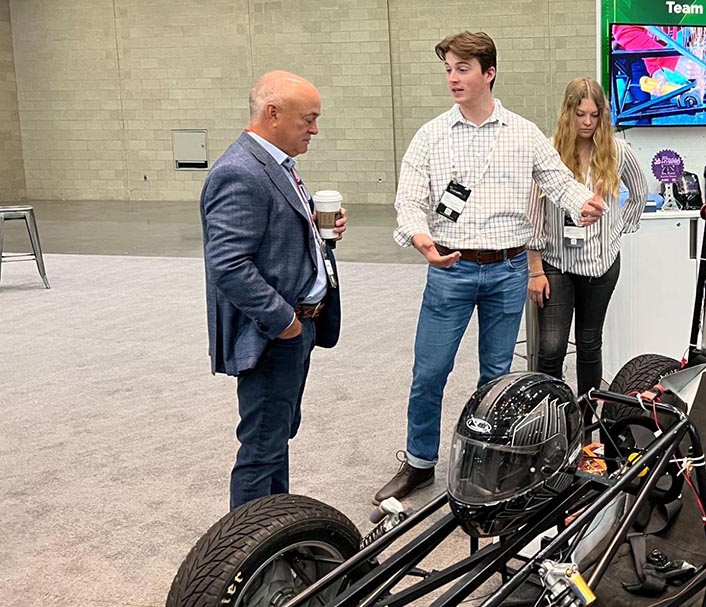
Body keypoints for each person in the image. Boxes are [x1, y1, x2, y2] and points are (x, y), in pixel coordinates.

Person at [376, 32, 606, 504]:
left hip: (507, 271)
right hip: (449, 269)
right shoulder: (431, 135)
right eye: (448, 70)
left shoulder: (523, 133)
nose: (453, 78)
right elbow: (409, 201)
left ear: (489, 73)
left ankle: (488, 460)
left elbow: (559, 181)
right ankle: (420, 463)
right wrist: (422, 240)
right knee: (429, 373)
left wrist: (584, 203)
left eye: (463, 69)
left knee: (496, 378)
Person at [201, 70, 347, 511]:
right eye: (309, 119)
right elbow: (228, 264)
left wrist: (325, 236)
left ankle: (274, 529)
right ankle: (243, 554)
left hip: (297, 326)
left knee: (275, 437)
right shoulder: (241, 172)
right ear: (272, 114)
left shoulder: (277, 165)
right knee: (261, 448)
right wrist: (284, 322)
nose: (315, 129)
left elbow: (277, 241)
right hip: (272, 334)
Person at [527, 77, 648, 398]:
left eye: (594, 115)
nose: (587, 122)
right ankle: (552, 416)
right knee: (551, 348)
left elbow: (640, 193)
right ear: (568, 112)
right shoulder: (549, 151)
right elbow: (533, 213)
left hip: (601, 264)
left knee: (589, 343)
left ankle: (589, 421)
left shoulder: (618, 151)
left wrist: (617, 229)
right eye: (580, 114)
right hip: (556, 262)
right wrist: (535, 269)